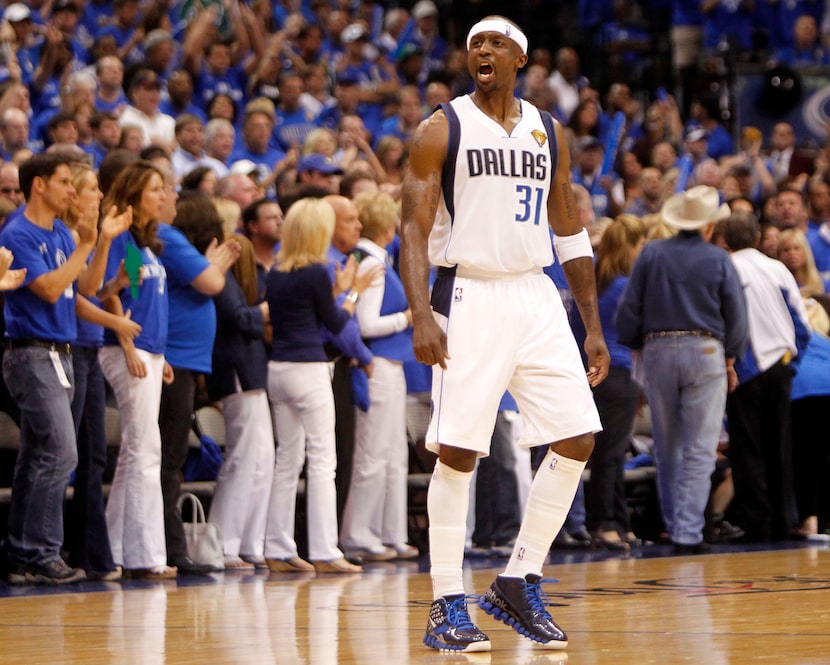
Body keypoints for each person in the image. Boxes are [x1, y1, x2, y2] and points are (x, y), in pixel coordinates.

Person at [401, 16, 608, 653]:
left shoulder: (549, 130)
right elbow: (412, 228)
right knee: (459, 450)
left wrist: (592, 324)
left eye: (495, 43)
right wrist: (420, 313)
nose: (483, 51)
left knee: (577, 435)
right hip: (469, 292)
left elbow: (568, 227)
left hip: (535, 292)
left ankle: (519, 578)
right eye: (474, 45)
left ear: (520, 57)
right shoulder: (441, 128)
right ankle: (445, 602)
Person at [616, 186, 749, 554]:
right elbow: (737, 315)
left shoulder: (651, 253)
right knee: (700, 447)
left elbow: (629, 310)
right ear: (710, 224)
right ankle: (687, 532)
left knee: (667, 445)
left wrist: (638, 344)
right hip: (705, 348)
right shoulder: (719, 259)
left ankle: (675, 526)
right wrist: (731, 356)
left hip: (658, 348)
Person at [263, 197, 377, 574]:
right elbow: (335, 323)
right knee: (323, 460)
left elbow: (302, 312)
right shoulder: (316, 271)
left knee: (287, 460)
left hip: (278, 369)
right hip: (309, 370)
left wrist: (337, 289)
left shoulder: (277, 272)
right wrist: (354, 291)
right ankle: (325, 551)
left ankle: (278, 547)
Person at [0, 153, 92, 585]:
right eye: (65, 182)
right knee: (62, 452)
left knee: (37, 456)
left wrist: (95, 242)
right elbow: (52, 290)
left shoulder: (59, 232)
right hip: (32, 352)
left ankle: (20, 553)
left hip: (62, 351)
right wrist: (87, 244)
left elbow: (83, 287)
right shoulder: (17, 232)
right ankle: (42, 552)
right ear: (39, 184)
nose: (72, 190)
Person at [98, 160, 176, 580]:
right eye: (155, 189)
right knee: (146, 449)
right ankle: (147, 554)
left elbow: (134, 292)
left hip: (151, 352)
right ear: (134, 194)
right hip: (128, 349)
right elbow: (111, 294)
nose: (163, 195)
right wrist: (128, 345)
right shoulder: (123, 238)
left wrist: (162, 357)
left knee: (134, 451)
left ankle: (114, 548)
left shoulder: (145, 244)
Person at [719, 211, 811, 542]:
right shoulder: (777, 268)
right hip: (781, 365)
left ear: (724, 240)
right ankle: (784, 522)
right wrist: (791, 361)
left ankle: (758, 524)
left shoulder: (725, 268)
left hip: (742, 369)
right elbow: (802, 323)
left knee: (748, 450)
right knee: (780, 447)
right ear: (757, 237)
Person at [339, 190, 418, 562]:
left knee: (393, 453)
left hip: (391, 364)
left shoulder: (371, 259)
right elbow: (367, 323)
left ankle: (391, 533)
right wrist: (408, 318)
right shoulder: (372, 263)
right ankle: (359, 534)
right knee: (373, 452)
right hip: (379, 364)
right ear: (388, 226)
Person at [206, 230, 274, 571]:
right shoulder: (223, 280)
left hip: (251, 373)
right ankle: (223, 543)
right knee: (243, 457)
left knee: (263, 459)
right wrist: (269, 309)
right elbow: (239, 318)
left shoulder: (236, 284)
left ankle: (250, 542)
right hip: (236, 371)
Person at [586, 214, 648, 550]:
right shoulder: (624, 285)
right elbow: (636, 331)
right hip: (619, 371)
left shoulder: (598, 281)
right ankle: (605, 523)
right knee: (610, 453)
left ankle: (620, 522)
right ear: (632, 246)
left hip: (600, 372)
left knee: (610, 451)